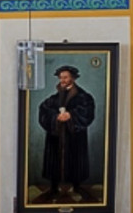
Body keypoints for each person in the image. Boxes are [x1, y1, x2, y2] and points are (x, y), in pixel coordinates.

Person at [34, 65, 97, 204]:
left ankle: (77, 187)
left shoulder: (83, 96)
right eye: (61, 77)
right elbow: (44, 109)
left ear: (73, 78)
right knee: (54, 161)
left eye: (65, 77)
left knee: (75, 161)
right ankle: (54, 188)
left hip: (74, 136)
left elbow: (87, 112)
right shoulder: (55, 97)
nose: (62, 80)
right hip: (56, 137)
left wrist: (71, 115)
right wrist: (55, 117)